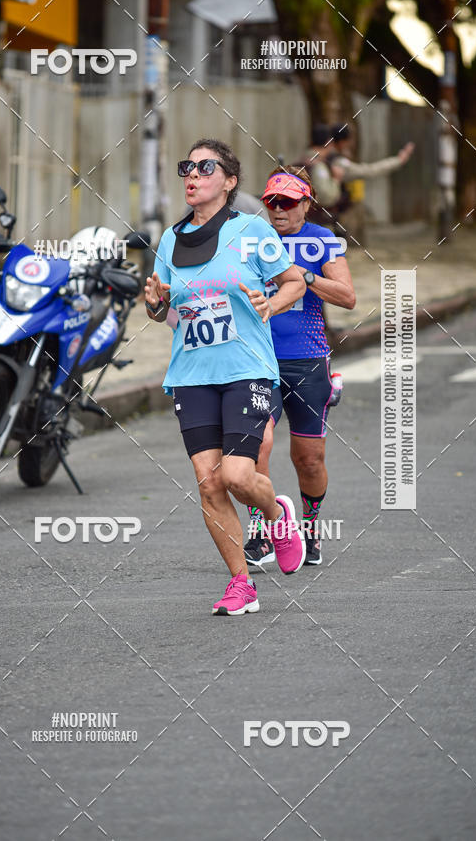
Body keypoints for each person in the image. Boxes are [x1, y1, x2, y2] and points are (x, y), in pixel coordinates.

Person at [144, 138, 306, 615]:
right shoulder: (171, 239)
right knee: (209, 483)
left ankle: (277, 515)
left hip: (246, 369)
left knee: (238, 475)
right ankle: (242, 584)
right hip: (192, 372)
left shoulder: (253, 230)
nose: (192, 175)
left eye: (204, 167)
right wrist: (155, 304)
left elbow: (293, 282)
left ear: (229, 181)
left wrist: (268, 304)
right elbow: (162, 306)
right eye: (186, 167)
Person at [243, 166, 356, 568]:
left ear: (306, 205)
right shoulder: (251, 238)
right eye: (271, 201)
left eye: (287, 202)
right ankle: (262, 529)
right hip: (257, 358)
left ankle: (309, 527)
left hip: (308, 360)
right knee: (257, 445)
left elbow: (347, 297)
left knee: (308, 459)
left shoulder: (322, 240)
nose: (277, 210)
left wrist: (304, 275)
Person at [328, 123, 415, 243]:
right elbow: (370, 170)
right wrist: (398, 160)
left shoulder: (317, 157)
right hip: (329, 218)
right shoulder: (339, 162)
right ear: (343, 141)